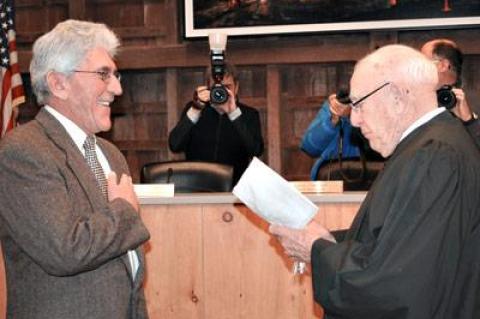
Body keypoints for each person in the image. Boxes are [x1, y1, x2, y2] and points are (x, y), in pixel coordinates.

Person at [270, 45, 480, 318]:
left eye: (359, 104)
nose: (354, 120)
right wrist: (327, 240)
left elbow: (396, 284)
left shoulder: (434, 156)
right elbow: (394, 236)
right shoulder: (431, 145)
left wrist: (316, 250)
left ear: (396, 96)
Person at [0, 20, 150, 319]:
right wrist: (122, 209)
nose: (117, 88)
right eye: (103, 75)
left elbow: (127, 261)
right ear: (59, 83)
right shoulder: (22, 151)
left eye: (115, 75)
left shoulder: (111, 154)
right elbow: (65, 251)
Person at [168, 62, 264, 186]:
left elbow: (256, 150)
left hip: (234, 189)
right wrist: (195, 110)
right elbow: (174, 146)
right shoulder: (195, 110)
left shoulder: (249, 114)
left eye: (227, 87)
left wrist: (234, 114)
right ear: (207, 87)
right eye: (217, 87)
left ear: (237, 88)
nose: (221, 92)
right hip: (196, 187)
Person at [421, 38, 480, 139]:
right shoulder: (416, 100)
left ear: (443, 65)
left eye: (422, 61)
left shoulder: (475, 102)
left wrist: (469, 121)